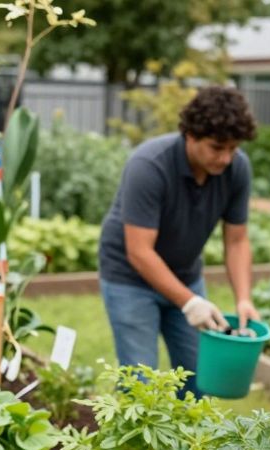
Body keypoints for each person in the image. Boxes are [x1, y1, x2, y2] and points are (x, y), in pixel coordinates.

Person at [97, 86, 261, 397]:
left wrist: (243, 299)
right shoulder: (149, 166)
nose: (226, 158)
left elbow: (237, 241)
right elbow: (139, 251)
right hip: (129, 279)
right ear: (190, 134)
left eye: (233, 148)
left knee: (198, 381)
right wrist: (190, 302)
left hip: (185, 275)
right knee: (140, 384)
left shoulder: (237, 168)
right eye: (217, 148)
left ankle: (188, 447)